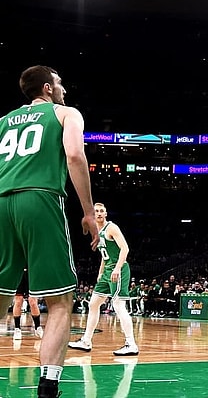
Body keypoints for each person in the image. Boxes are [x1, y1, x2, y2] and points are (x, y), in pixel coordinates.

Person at [0, 65, 99, 398]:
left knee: (1, 295)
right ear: (47, 87)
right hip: (39, 198)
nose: (64, 90)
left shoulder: (3, 122)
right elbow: (74, 155)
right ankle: (47, 387)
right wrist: (88, 211)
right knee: (59, 301)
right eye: (60, 83)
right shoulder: (65, 112)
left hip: (1, 200)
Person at [68, 203, 139, 356]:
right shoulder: (96, 231)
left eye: (101, 211)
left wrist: (117, 268)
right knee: (93, 304)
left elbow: (125, 248)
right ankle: (86, 341)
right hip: (107, 271)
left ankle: (131, 344)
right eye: (96, 211)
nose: (99, 213)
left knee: (119, 305)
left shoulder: (111, 228)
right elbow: (104, 255)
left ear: (106, 214)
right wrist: (100, 272)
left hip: (118, 270)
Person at [12, 268, 44, 340]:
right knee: (18, 301)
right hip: (18, 273)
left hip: (31, 273)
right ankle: (17, 329)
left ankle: (37, 327)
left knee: (33, 302)